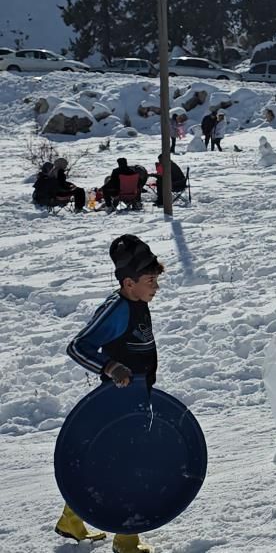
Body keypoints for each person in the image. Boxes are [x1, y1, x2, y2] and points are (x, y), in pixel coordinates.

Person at [57, 234, 165, 553]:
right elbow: (78, 346)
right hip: (118, 403)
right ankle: (126, 541)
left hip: (136, 399)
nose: (155, 287)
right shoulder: (116, 309)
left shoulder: (137, 302)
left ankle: (71, 519)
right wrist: (110, 367)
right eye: (150, 281)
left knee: (108, 465)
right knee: (130, 467)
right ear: (129, 282)